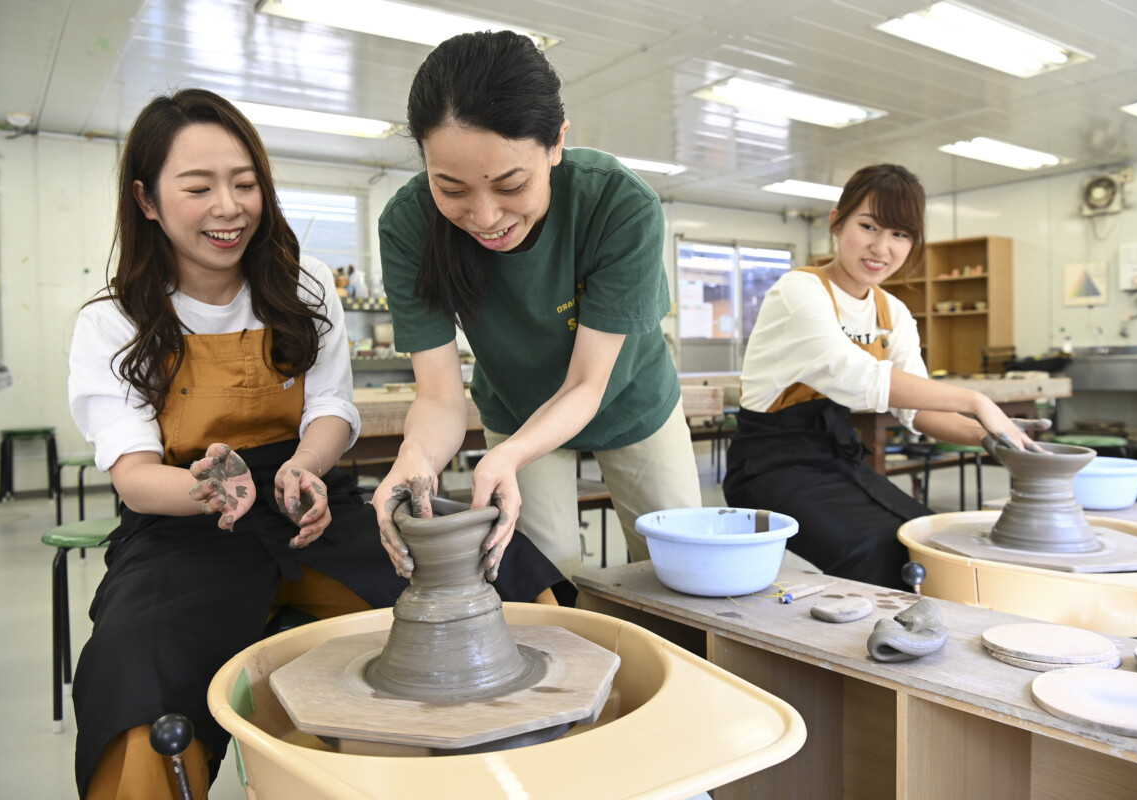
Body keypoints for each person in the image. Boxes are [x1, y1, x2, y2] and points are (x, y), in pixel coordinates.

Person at [67, 88, 569, 800]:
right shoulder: (112, 321)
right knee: (133, 668)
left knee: (497, 565)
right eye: (199, 187)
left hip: (312, 507)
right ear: (147, 200)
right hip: (182, 525)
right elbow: (135, 476)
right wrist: (208, 488)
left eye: (245, 184)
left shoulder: (301, 289)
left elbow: (331, 407)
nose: (228, 207)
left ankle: (556, 759)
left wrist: (304, 466)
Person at [374, 31, 702, 582]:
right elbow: (438, 395)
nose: (483, 216)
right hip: (516, 406)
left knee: (679, 565)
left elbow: (586, 385)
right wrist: (417, 458)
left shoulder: (619, 205)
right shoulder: (408, 225)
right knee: (541, 574)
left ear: (556, 144)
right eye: (450, 189)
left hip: (630, 401)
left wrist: (506, 457)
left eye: (511, 184)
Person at [722, 164, 1044, 590]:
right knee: (873, 548)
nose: (881, 247)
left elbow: (917, 411)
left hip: (837, 458)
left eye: (900, 235)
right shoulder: (799, 290)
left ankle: (918, 641)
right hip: (770, 466)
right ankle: (862, 649)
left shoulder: (892, 312)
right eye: (868, 226)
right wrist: (975, 401)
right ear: (837, 222)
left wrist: (995, 436)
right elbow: (853, 374)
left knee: (929, 540)